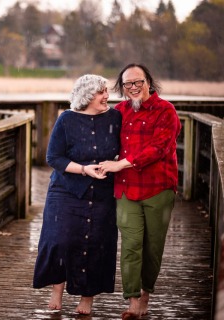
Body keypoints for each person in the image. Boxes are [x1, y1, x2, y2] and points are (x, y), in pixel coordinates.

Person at [33, 74, 121, 315]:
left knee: (95, 242)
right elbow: (53, 158)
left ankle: (87, 297)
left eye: (106, 91)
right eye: (101, 92)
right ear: (86, 96)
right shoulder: (66, 120)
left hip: (102, 191)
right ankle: (57, 288)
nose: (107, 96)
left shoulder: (116, 117)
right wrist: (83, 169)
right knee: (60, 239)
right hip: (66, 189)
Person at [99, 63, 182, 319]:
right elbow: (100, 137)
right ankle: (133, 301)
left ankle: (146, 294)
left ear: (148, 82)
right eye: (128, 84)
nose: (133, 87)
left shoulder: (166, 111)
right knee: (131, 245)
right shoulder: (118, 112)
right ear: (122, 88)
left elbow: (158, 148)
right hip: (125, 189)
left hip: (158, 188)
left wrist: (121, 163)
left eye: (138, 82)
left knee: (152, 246)